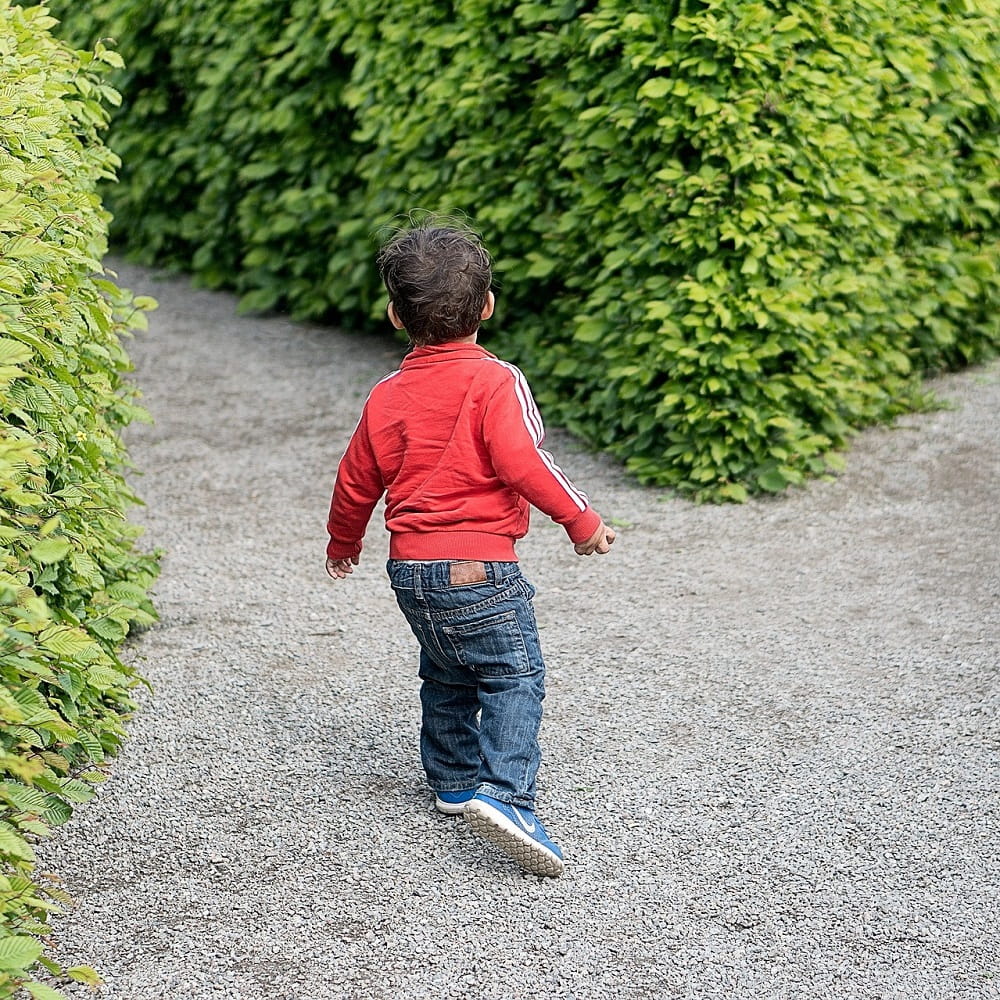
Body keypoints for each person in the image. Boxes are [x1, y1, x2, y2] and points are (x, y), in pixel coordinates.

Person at [325, 221, 615, 877]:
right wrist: (581, 520)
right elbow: (525, 462)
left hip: (410, 569)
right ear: (487, 306)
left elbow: (355, 478)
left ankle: (454, 780)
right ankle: (507, 795)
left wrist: (344, 541)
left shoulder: (386, 396)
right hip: (479, 567)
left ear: (396, 314)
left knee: (447, 667)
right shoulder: (495, 381)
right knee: (514, 675)